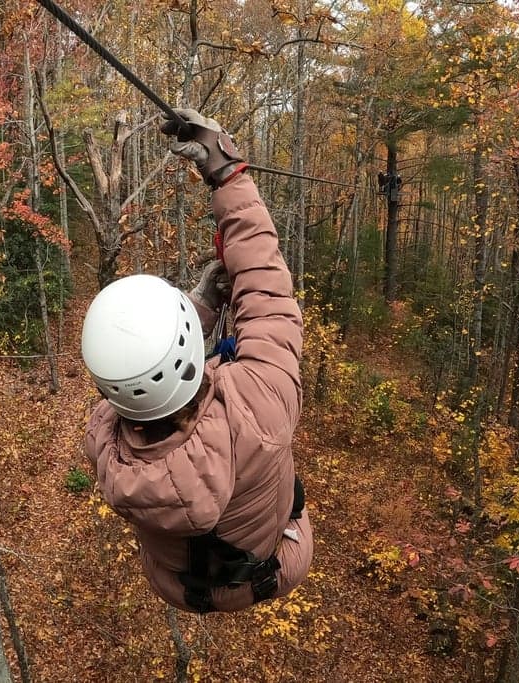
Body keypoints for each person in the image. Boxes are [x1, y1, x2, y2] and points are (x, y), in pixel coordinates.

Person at [80, 109, 313, 613]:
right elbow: (265, 287)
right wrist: (227, 173)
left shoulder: (103, 442)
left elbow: (140, 375)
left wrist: (202, 309)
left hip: (180, 586)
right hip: (274, 568)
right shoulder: (258, 405)